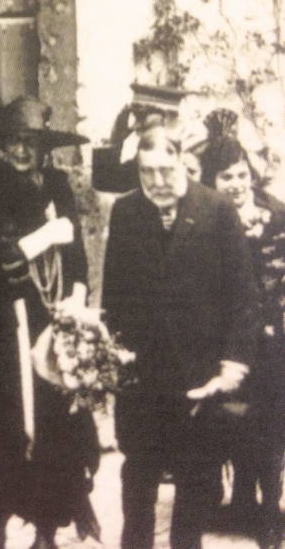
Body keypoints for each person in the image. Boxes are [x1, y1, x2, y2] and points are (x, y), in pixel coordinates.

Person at [0, 96, 99, 549]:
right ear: (1, 145)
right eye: (14, 141)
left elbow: (77, 256)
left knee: (54, 427)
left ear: (44, 146)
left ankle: (47, 527)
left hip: (52, 324)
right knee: (2, 426)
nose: (22, 150)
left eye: (31, 142)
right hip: (0, 328)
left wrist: (78, 299)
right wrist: (43, 236)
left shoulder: (59, 186)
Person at [102, 123, 259, 549]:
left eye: (166, 169)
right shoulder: (126, 211)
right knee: (138, 476)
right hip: (142, 375)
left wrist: (232, 365)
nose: (157, 181)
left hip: (199, 375)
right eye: (147, 171)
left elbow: (243, 296)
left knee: (194, 480)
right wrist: (111, 358)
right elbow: (113, 295)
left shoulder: (217, 210)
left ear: (182, 163)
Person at [200, 131, 285, 549]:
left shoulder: (278, 215)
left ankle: (270, 512)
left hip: (274, 338)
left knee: (271, 422)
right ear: (211, 182)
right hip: (229, 339)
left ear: (251, 174)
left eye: (240, 174)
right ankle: (240, 501)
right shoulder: (208, 219)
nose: (235, 184)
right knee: (237, 420)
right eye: (225, 177)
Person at [92, 82, 186, 194]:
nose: (135, 125)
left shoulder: (183, 159)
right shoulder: (146, 157)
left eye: (142, 116)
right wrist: (115, 139)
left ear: (166, 118)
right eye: (135, 116)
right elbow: (105, 182)